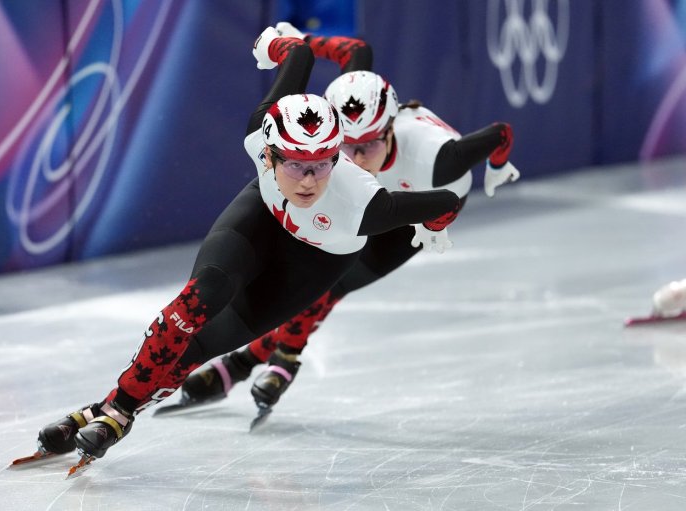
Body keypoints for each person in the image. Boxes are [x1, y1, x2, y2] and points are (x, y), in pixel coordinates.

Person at [32, 26, 462, 466]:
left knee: (201, 346)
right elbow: (298, 56)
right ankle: (116, 410)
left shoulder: (364, 204)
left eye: (321, 165)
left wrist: (435, 225)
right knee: (198, 300)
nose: (309, 180)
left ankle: (110, 410)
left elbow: (446, 199)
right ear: (270, 154)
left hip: (314, 260)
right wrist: (278, 43)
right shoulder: (260, 131)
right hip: (261, 217)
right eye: (295, 164)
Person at [175, 23, 521, 415]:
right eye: (345, 146)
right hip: (369, 200)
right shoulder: (346, 125)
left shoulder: (440, 159)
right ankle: (258, 361)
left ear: (391, 130)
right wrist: (307, 43)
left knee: (336, 285)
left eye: (369, 145)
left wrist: (497, 165)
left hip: (420, 209)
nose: (355, 159)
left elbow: (500, 133)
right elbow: (357, 51)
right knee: (314, 276)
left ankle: (267, 360)